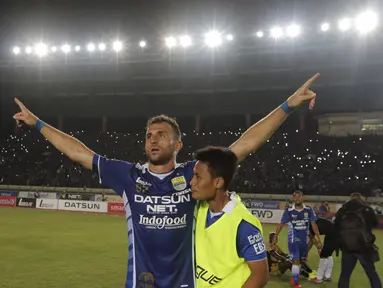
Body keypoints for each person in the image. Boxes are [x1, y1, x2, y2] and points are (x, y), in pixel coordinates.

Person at [13, 73, 319, 288]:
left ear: (178, 145)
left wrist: (287, 106)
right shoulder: (128, 175)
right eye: (149, 135)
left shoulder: (193, 175)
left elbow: (245, 144)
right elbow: (79, 153)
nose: (153, 139)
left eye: (162, 135)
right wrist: (37, 123)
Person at [191, 146, 269, 287]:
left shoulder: (244, 225)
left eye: (198, 177)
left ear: (218, 182)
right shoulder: (199, 208)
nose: (192, 182)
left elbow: (261, 275)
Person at [272, 191, 322, 288]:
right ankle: (295, 283)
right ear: (293, 199)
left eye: (300, 197)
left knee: (301, 261)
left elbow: (314, 225)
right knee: (296, 260)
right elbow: (281, 224)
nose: (298, 198)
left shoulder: (308, 210)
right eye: (296, 197)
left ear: (302, 198)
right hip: (293, 239)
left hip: (304, 241)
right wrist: (275, 236)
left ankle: (295, 278)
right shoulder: (289, 210)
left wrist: (318, 239)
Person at [335, 192, 381, 288]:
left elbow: (336, 227)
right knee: (372, 274)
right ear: (361, 199)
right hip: (364, 246)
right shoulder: (367, 210)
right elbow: (375, 223)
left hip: (347, 247)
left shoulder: (342, 210)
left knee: (345, 275)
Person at [308, 217, 337, 283]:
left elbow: (312, 239)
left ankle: (319, 278)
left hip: (332, 235)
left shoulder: (308, 225)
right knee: (328, 254)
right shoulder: (315, 220)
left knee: (323, 256)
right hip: (337, 233)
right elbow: (312, 240)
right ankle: (327, 277)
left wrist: (319, 248)